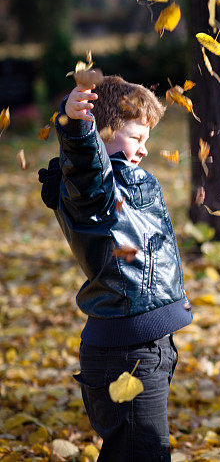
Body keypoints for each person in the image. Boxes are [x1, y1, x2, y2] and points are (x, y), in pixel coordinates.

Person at [38, 76, 193, 461]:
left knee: (137, 451)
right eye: (135, 138)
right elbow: (86, 163)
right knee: (143, 454)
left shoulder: (125, 181)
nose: (143, 150)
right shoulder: (95, 190)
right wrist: (77, 124)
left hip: (147, 348)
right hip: (126, 354)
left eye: (147, 140)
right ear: (101, 130)